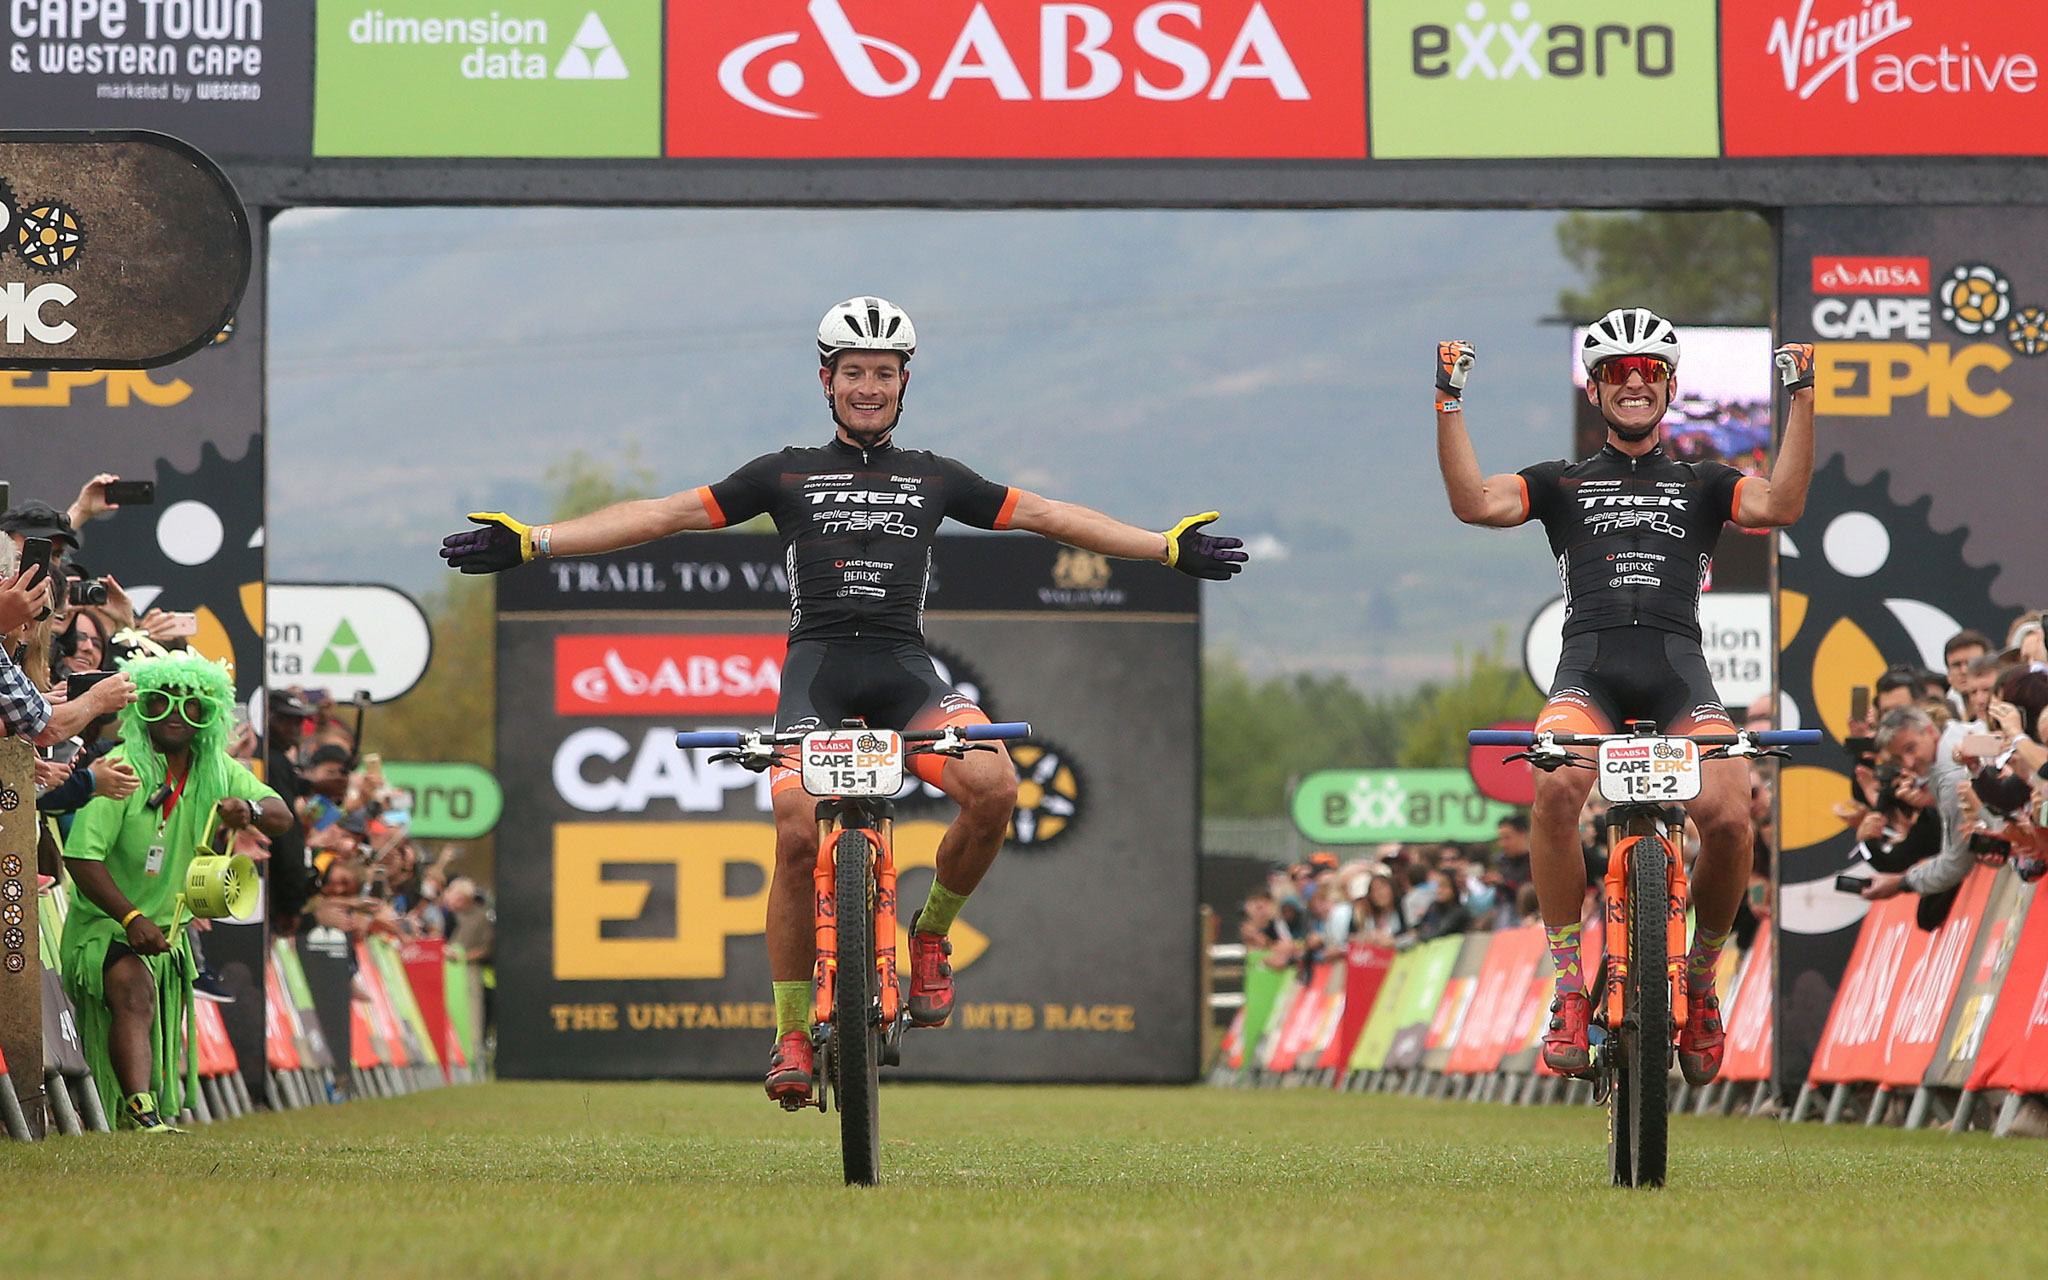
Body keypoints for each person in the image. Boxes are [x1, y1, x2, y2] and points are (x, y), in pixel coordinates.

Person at [440, 295, 1248, 1108]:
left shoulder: (937, 477)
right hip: (818, 674)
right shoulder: (782, 473)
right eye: (854, 372)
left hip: (906, 674)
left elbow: (1046, 515)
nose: (869, 387)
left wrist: (1165, 547)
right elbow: (666, 515)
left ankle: (929, 938)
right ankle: (792, 1031)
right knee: (795, 830)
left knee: (998, 787)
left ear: (905, 384)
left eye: (885, 374)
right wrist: (532, 541)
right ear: (826, 381)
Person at [1432, 307, 1815, 1085]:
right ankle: (1571, 985)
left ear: (1670, 387)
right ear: (1597, 387)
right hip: (1590, 674)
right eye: (1615, 371)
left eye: (1649, 371)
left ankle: (1701, 981)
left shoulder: (1705, 480)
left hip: (1679, 675)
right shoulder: (1559, 481)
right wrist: (1448, 402)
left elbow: (1779, 506)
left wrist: (1804, 400)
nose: (1633, 382)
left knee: (1733, 816)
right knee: (1555, 785)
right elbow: (1473, 501)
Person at [57, 653, 291, 1132]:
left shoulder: (218, 769)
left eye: (191, 707)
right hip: (105, 925)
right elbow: (80, 857)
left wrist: (249, 808)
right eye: (161, 703)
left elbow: (282, 814)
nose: (175, 717)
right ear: (142, 707)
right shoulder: (121, 767)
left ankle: (122, 1109)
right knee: (137, 997)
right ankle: (143, 1112)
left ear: (209, 715)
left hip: (167, 933)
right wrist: (129, 919)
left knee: (140, 1009)